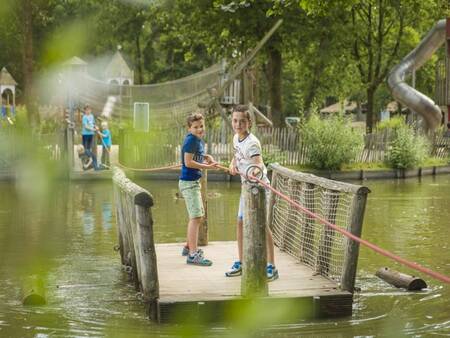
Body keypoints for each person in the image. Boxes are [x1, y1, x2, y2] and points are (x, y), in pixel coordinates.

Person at [225, 104, 279, 281]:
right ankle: (241, 262)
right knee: (240, 223)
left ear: (249, 122)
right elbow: (237, 155)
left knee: (262, 226)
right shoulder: (236, 138)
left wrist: (252, 174)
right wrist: (233, 164)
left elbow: (258, 165)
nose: (238, 124)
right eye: (235, 120)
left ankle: (271, 266)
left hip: (259, 189)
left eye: (242, 121)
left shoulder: (253, 143)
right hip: (246, 190)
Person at [179, 112, 217, 266]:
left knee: (198, 216)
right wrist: (206, 166)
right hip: (188, 183)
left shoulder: (197, 140)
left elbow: (196, 155)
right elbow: (188, 162)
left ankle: (189, 247)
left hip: (194, 182)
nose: (200, 129)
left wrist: (206, 157)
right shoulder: (190, 141)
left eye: (201, 126)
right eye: (195, 127)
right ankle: (193, 255)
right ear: (189, 128)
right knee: (195, 217)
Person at [81, 105, 99, 170]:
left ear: (91, 110)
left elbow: (93, 124)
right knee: (85, 150)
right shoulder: (84, 117)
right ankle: (88, 161)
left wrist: (96, 127)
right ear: (85, 111)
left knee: (89, 148)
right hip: (85, 134)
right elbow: (86, 127)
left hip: (91, 134)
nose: (88, 111)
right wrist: (93, 129)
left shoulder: (92, 116)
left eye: (89, 110)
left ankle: (88, 163)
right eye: (87, 110)